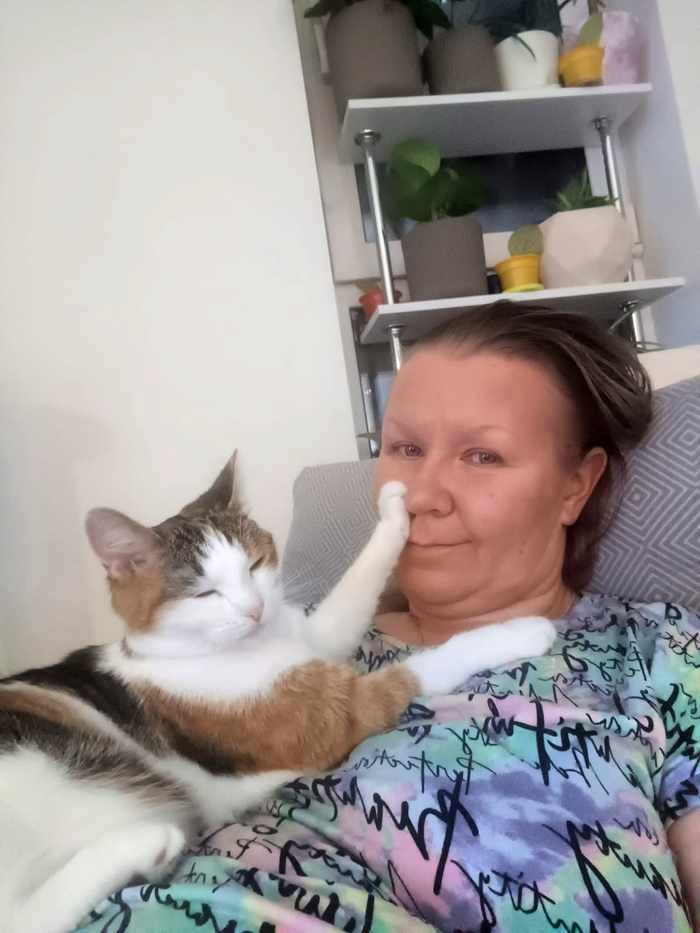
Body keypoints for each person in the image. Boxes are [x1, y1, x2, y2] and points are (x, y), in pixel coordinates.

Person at [81, 303, 700, 933]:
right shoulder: (282, 644)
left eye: (483, 456)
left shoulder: (654, 650)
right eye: (405, 447)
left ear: (575, 486)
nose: (420, 495)